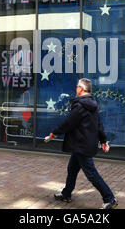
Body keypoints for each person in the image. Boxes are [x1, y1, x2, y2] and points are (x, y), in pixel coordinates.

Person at [46, 78, 118, 209]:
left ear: (81, 89)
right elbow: (99, 124)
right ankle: (66, 194)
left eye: (77, 87)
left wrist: (54, 133)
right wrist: (103, 140)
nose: (76, 89)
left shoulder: (80, 106)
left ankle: (109, 198)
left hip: (81, 145)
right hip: (82, 144)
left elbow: (68, 123)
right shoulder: (93, 104)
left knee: (91, 173)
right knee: (72, 169)